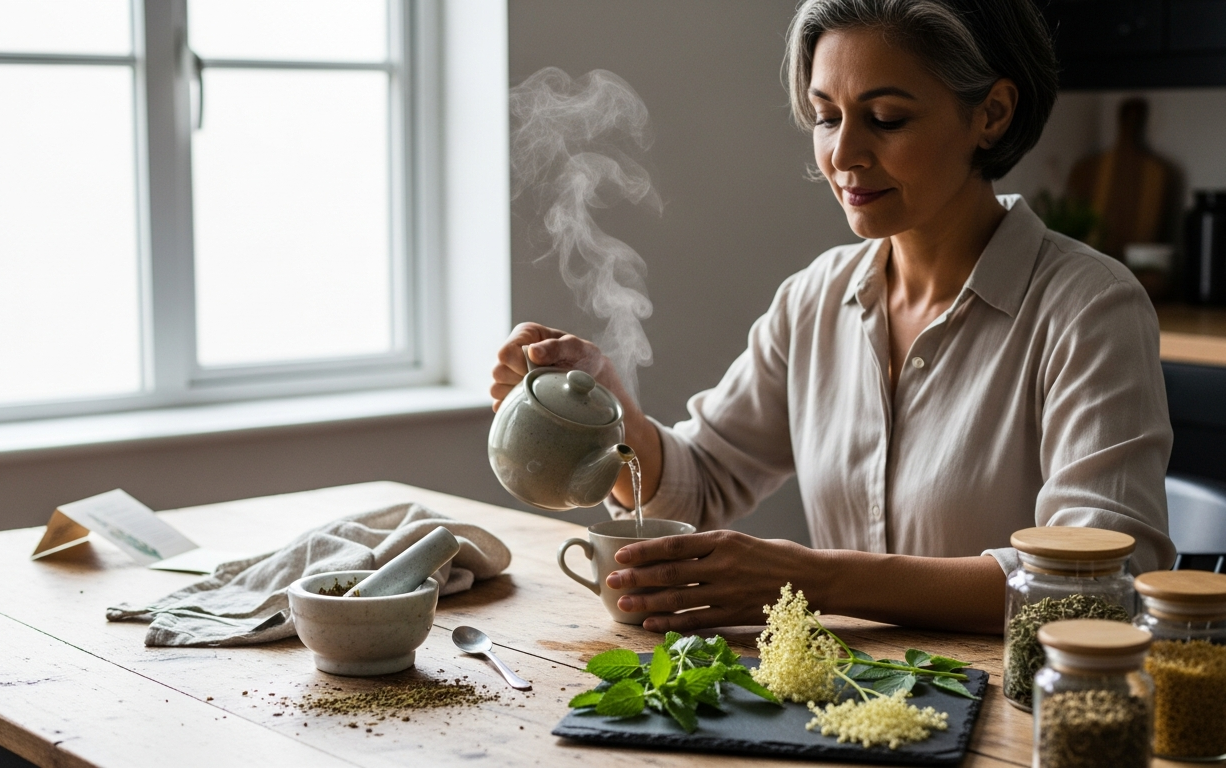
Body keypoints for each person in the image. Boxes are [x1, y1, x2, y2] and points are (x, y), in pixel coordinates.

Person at [489, 0, 1174, 635]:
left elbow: (1104, 583)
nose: (842, 156)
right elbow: (700, 484)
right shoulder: (816, 298)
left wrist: (812, 579)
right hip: (848, 706)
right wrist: (615, 415)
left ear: (991, 113)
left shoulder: (1088, 308)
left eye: (886, 119)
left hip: (1018, 720)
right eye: (826, 116)